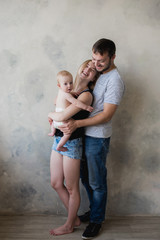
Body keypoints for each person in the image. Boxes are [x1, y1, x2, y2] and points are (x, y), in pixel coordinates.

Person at [58, 38, 125, 239]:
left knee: (97, 182)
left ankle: (96, 220)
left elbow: (106, 115)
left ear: (113, 57)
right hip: (84, 136)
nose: (96, 64)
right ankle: (94, 211)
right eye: (94, 59)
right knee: (85, 179)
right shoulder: (99, 75)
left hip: (98, 138)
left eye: (101, 61)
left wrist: (76, 124)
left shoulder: (115, 80)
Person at [48, 60, 99, 236]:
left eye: (92, 70)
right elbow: (58, 104)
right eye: (86, 66)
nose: (87, 70)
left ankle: (70, 224)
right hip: (57, 140)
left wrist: (49, 114)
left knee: (71, 187)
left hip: (72, 144)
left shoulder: (86, 95)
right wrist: (54, 115)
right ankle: (75, 218)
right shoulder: (68, 89)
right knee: (55, 183)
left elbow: (61, 114)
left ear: (94, 77)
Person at [48, 70, 93, 152]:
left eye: (71, 83)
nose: (69, 86)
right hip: (63, 121)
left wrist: (72, 92)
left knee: (53, 123)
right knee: (67, 134)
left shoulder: (60, 92)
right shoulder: (67, 95)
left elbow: (56, 101)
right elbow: (76, 102)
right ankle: (60, 146)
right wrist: (86, 107)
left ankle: (52, 131)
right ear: (59, 85)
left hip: (55, 120)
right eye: (65, 84)